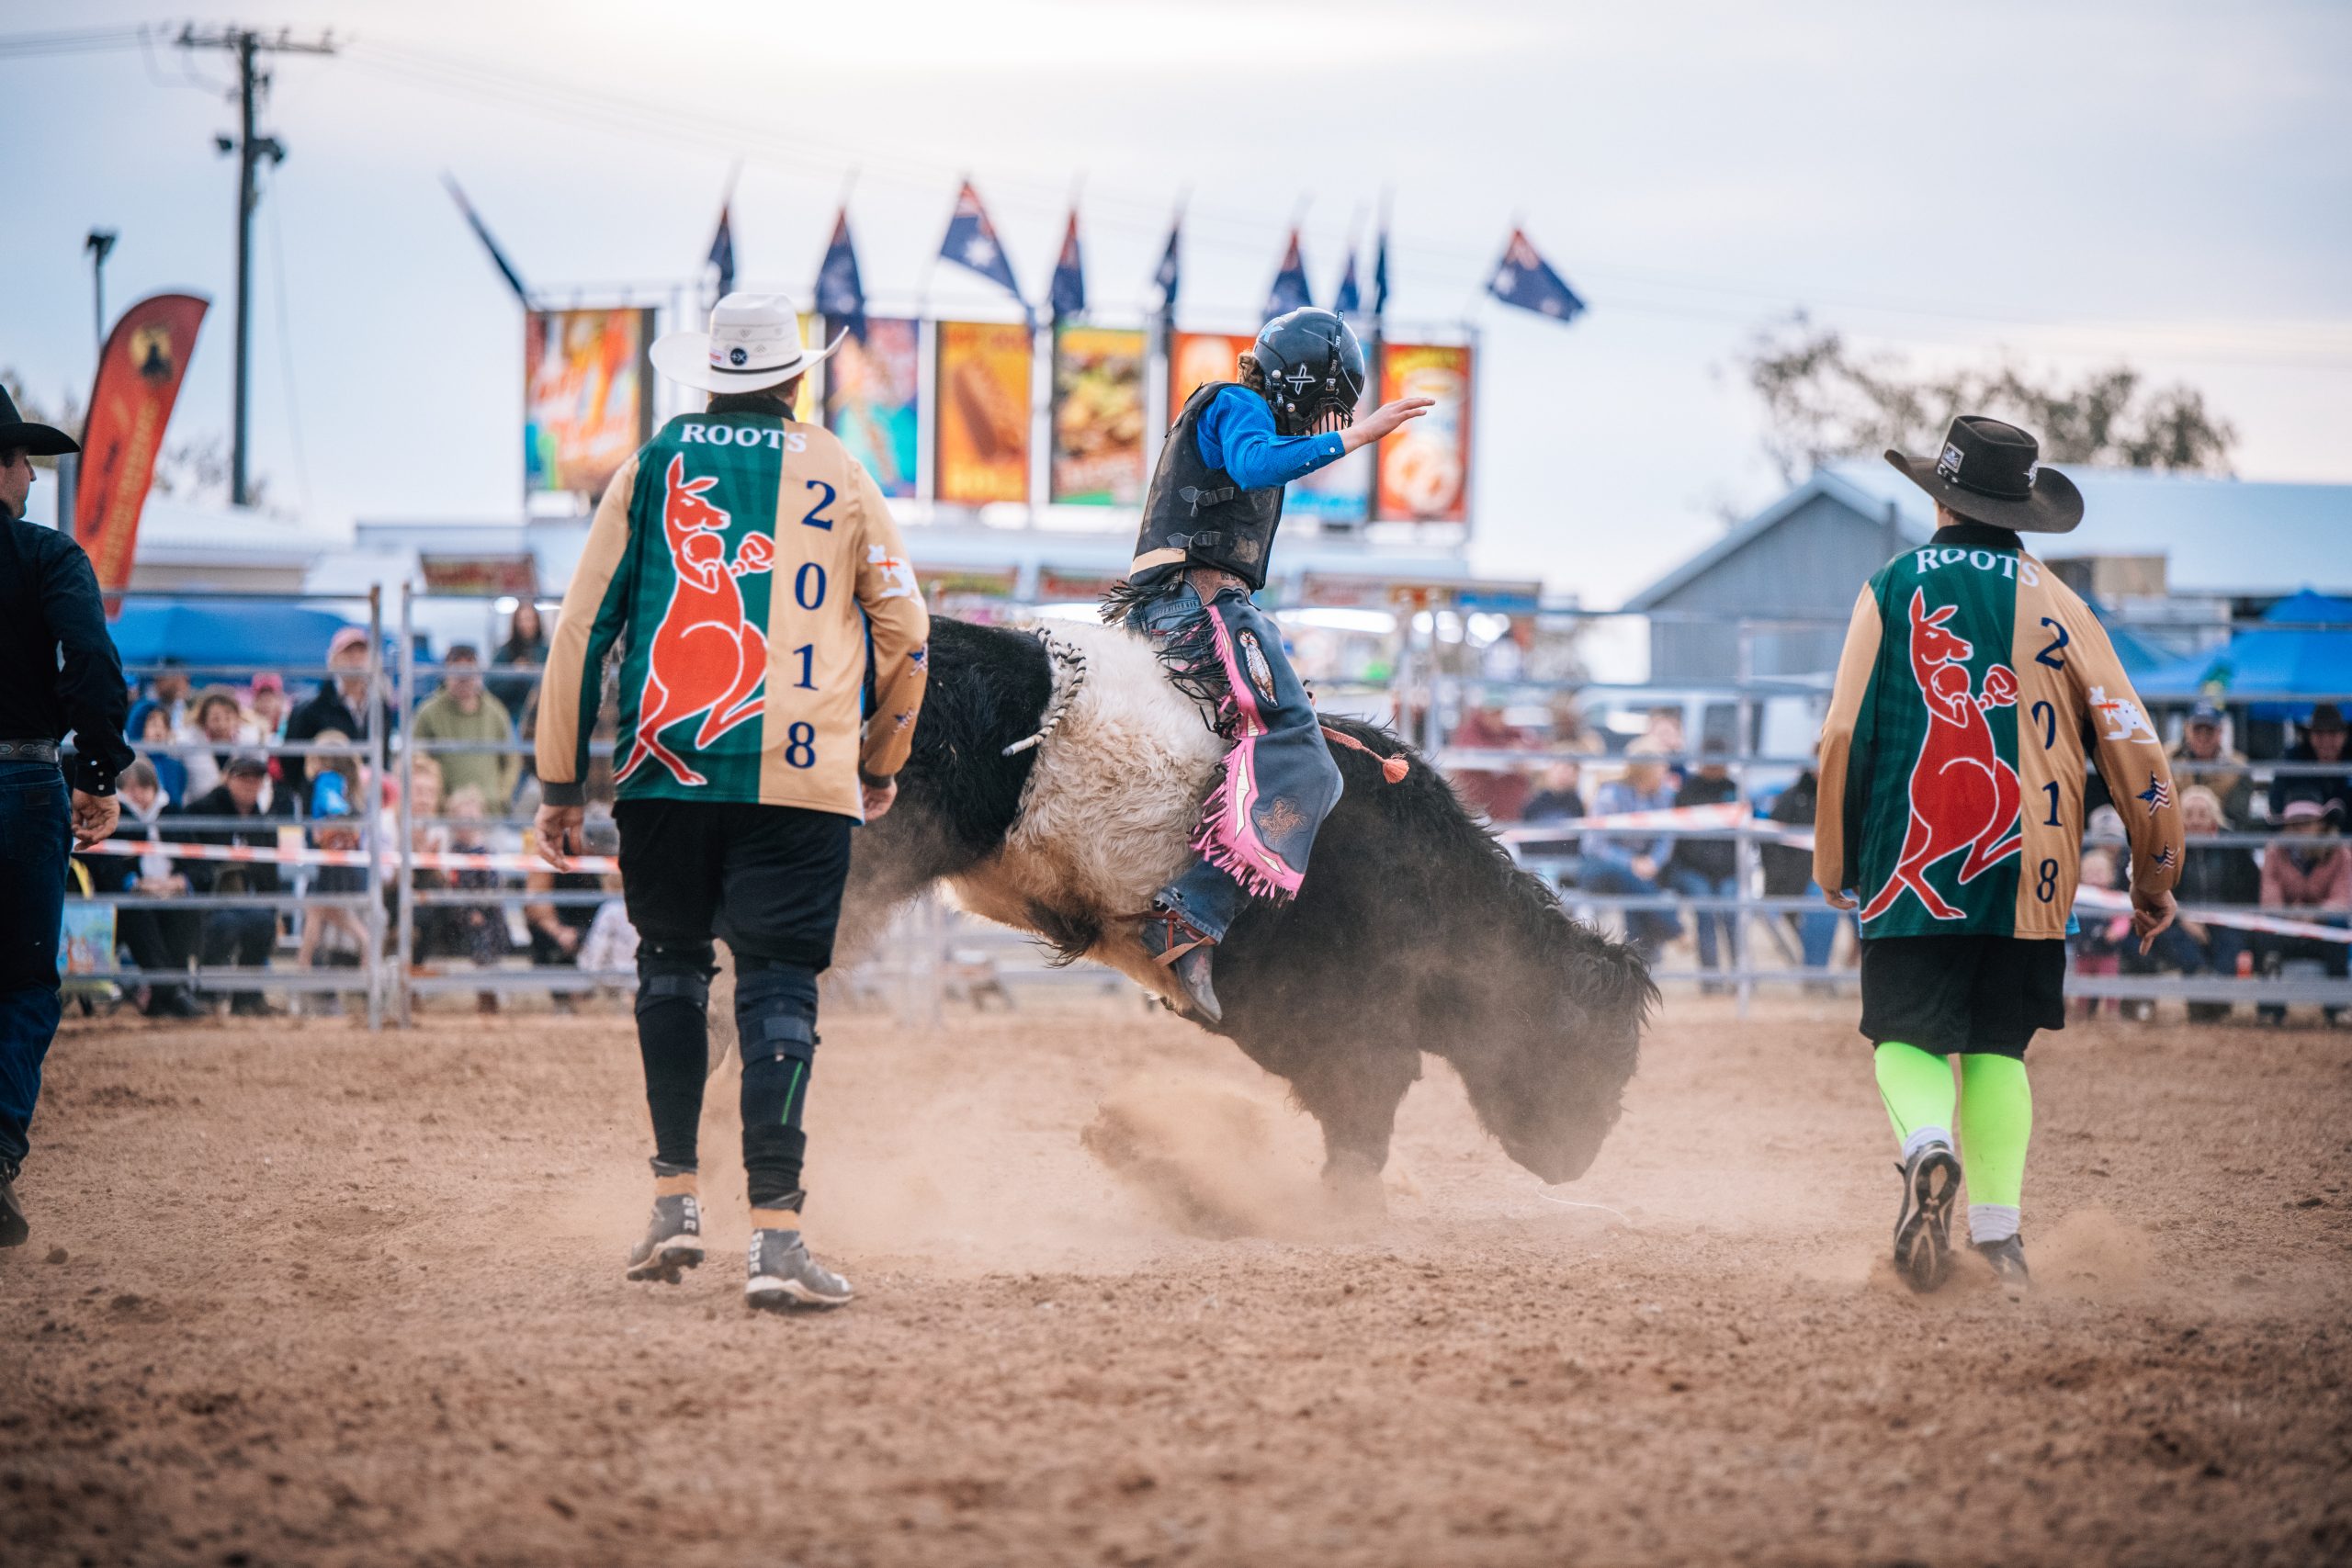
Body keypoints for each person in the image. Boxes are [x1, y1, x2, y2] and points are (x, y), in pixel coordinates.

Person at [535, 293, 930, 1312]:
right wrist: (879, 758)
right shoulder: (840, 471)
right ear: (797, 379)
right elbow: (908, 629)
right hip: (802, 780)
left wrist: (559, 781)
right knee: (778, 988)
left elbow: (582, 630)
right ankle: (777, 1237)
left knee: (670, 967)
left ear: (706, 376)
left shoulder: (653, 465)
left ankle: (673, 1203)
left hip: (667, 767)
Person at [1816, 415, 2181, 1294]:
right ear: (2022, 508)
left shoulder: (1890, 587)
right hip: (2035, 868)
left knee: (1905, 1031)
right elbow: (2135, 744)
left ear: (1941, 497)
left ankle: (1924, 1146)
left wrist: (1836, 861)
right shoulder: (2064, 603)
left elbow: (1840, 734)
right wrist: (2154, 869)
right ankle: (2000, 1236)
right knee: (1998, 1047)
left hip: (1913, 854)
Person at [1108, 308, 1430, 1020]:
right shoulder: (1237, 403)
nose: (1318, 420)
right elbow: (1257, 463)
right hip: (1199, 606)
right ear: (1298, 381)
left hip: (1179, 601)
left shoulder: (1230, 407)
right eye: (1321, 404)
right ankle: (1189, 916)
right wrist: (1362, 434)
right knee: (1309, 764)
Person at [0, 388, 135, 1246]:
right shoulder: (46, 557)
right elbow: (90, 659)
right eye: (20, 458)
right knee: (20, 978)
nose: (27, 474)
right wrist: (95, 771)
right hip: (19, 782)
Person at [2125, 784, 2257, 1021]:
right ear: (2179, 819)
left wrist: (2226, 917)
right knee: (2178, 938)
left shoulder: (2234, 848)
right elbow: (2156, 893)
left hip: (2226, 917)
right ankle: (2200, 991)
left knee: (2231, 939)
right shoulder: (2165, 849)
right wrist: (2183, 918)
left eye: (2202, 814)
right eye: (2189, 814)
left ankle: (2217, 999)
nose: (2195, 821)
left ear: (2214, 817)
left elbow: (2248, 890)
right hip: (2179, 919)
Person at [180, 755, 286, 1017]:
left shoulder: (263, 822)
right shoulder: (203, 810)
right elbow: (186, 855)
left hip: (247, 901)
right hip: (208, 898)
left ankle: (247, 997)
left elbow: (269, 874)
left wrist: (275, 911)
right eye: (244, 778)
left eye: (256, 779)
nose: (250, 784)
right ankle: (207, 994)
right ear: (228, 779)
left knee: (263, 922)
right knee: (224, 924)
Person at [101, 760, 202, 1019]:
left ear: (154, 787)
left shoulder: (174, 813)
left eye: (143, 787)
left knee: (186, 913)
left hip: (173, 893)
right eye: (130, 788)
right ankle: (173, 991)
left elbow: (199, 864)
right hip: (135, 898)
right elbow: (107, 865)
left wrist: (179, 882)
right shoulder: (116, 817)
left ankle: (162, 994)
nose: (138, 794)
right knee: (138, 915)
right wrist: (134, 883)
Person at [1581, 743, 1684, 962]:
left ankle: (1639, 959)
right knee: (1630, 878)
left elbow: (1666, 837)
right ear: (1644, 771)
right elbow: (1594, 844)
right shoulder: (1611, 794)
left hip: (1643, 871)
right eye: (1660, 768)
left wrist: (1653, 862)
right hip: (1603, 866)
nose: (1665, 773)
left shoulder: (1664, 795)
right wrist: (1631, 862)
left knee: (1634, 891)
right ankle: (1672, 929)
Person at [2255, 798, 2348, 1026]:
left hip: (2323, 929)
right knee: (2264, 933)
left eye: (2306, 822)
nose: (2299, 828)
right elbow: (2269, 896)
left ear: (2322, 826)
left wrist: (2313, 914)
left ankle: (2337, 1008)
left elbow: (2343, 898)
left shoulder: (2341, 854)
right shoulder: (2274, 852)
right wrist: (2289, 915)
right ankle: (2270, 1008)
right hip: (2286, 928)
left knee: (2338, 927)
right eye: (2293, 823)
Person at [1664, 738, 1742, 990]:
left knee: (1732, 912)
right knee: (1705, 912)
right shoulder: (1687, 793)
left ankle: (1741, 978)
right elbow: (1681, 842)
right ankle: (1711, 981)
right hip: (1694, 871)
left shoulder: (1736, 790)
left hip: (1729, 872)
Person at [1761, 753, 1843, 982]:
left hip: (1842, 875)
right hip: (1799, 879)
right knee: (1821, 907)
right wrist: (1779, 877)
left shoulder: (1847, 795)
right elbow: (1770, 842)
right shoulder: (1792, 798)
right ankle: (1815, 977)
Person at [413, 644, 519, 810]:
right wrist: (438, 799)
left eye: (469, 675)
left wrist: (499, 796)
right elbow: (417, 760)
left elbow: (512, 760)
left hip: (490, 816)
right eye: (458, 675)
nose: (464, 681)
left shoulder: (496, 711)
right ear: (446, 674)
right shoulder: (428, 713)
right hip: (444, 816)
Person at [2168, 701, 2255, 828]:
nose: (2203, 736)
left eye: (2209, 730)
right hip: (2174, 834)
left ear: (2220, 731)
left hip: (2219, 839)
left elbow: (2237, 819)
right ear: (2187, 729)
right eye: (2197, 729)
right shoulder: (2166, 760)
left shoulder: (2238, 769)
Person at [2267, 703, 2352, 827]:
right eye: (2319, 733)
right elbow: (2277, 802)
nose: (2326, 741)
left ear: (2345, 736)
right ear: (2310, 736)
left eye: (2333, 733)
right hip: (2302, 837)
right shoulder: (2293, 760)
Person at [128, 696, 189, 804]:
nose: (159, 731)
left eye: (164, 726)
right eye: (153, 725)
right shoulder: (128, 766)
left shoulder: (176, 767)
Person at [490, 601, 548, 714]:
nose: (527, 624)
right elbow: (492, 687)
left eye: (530, 619)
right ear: (515, 623)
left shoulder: (546, 652)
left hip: (541, 712)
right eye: (522, 620)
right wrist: (514, 674)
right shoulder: (504, 652)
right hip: (512, 712)